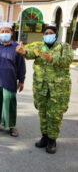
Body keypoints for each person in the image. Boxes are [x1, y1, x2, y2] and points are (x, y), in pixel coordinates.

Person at [16, 26, 73, 154]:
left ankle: (52, 140)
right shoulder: (40, 48)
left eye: (51, 33)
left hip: (58, 89)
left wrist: (51, 59)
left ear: (56, 35)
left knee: (55, 115)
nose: (48, 35)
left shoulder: (64, 47)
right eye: (46, 33)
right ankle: (45, 137)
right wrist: (23, 51)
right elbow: (30, 54)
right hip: (41, 88)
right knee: (43, 113)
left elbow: (68, 60)